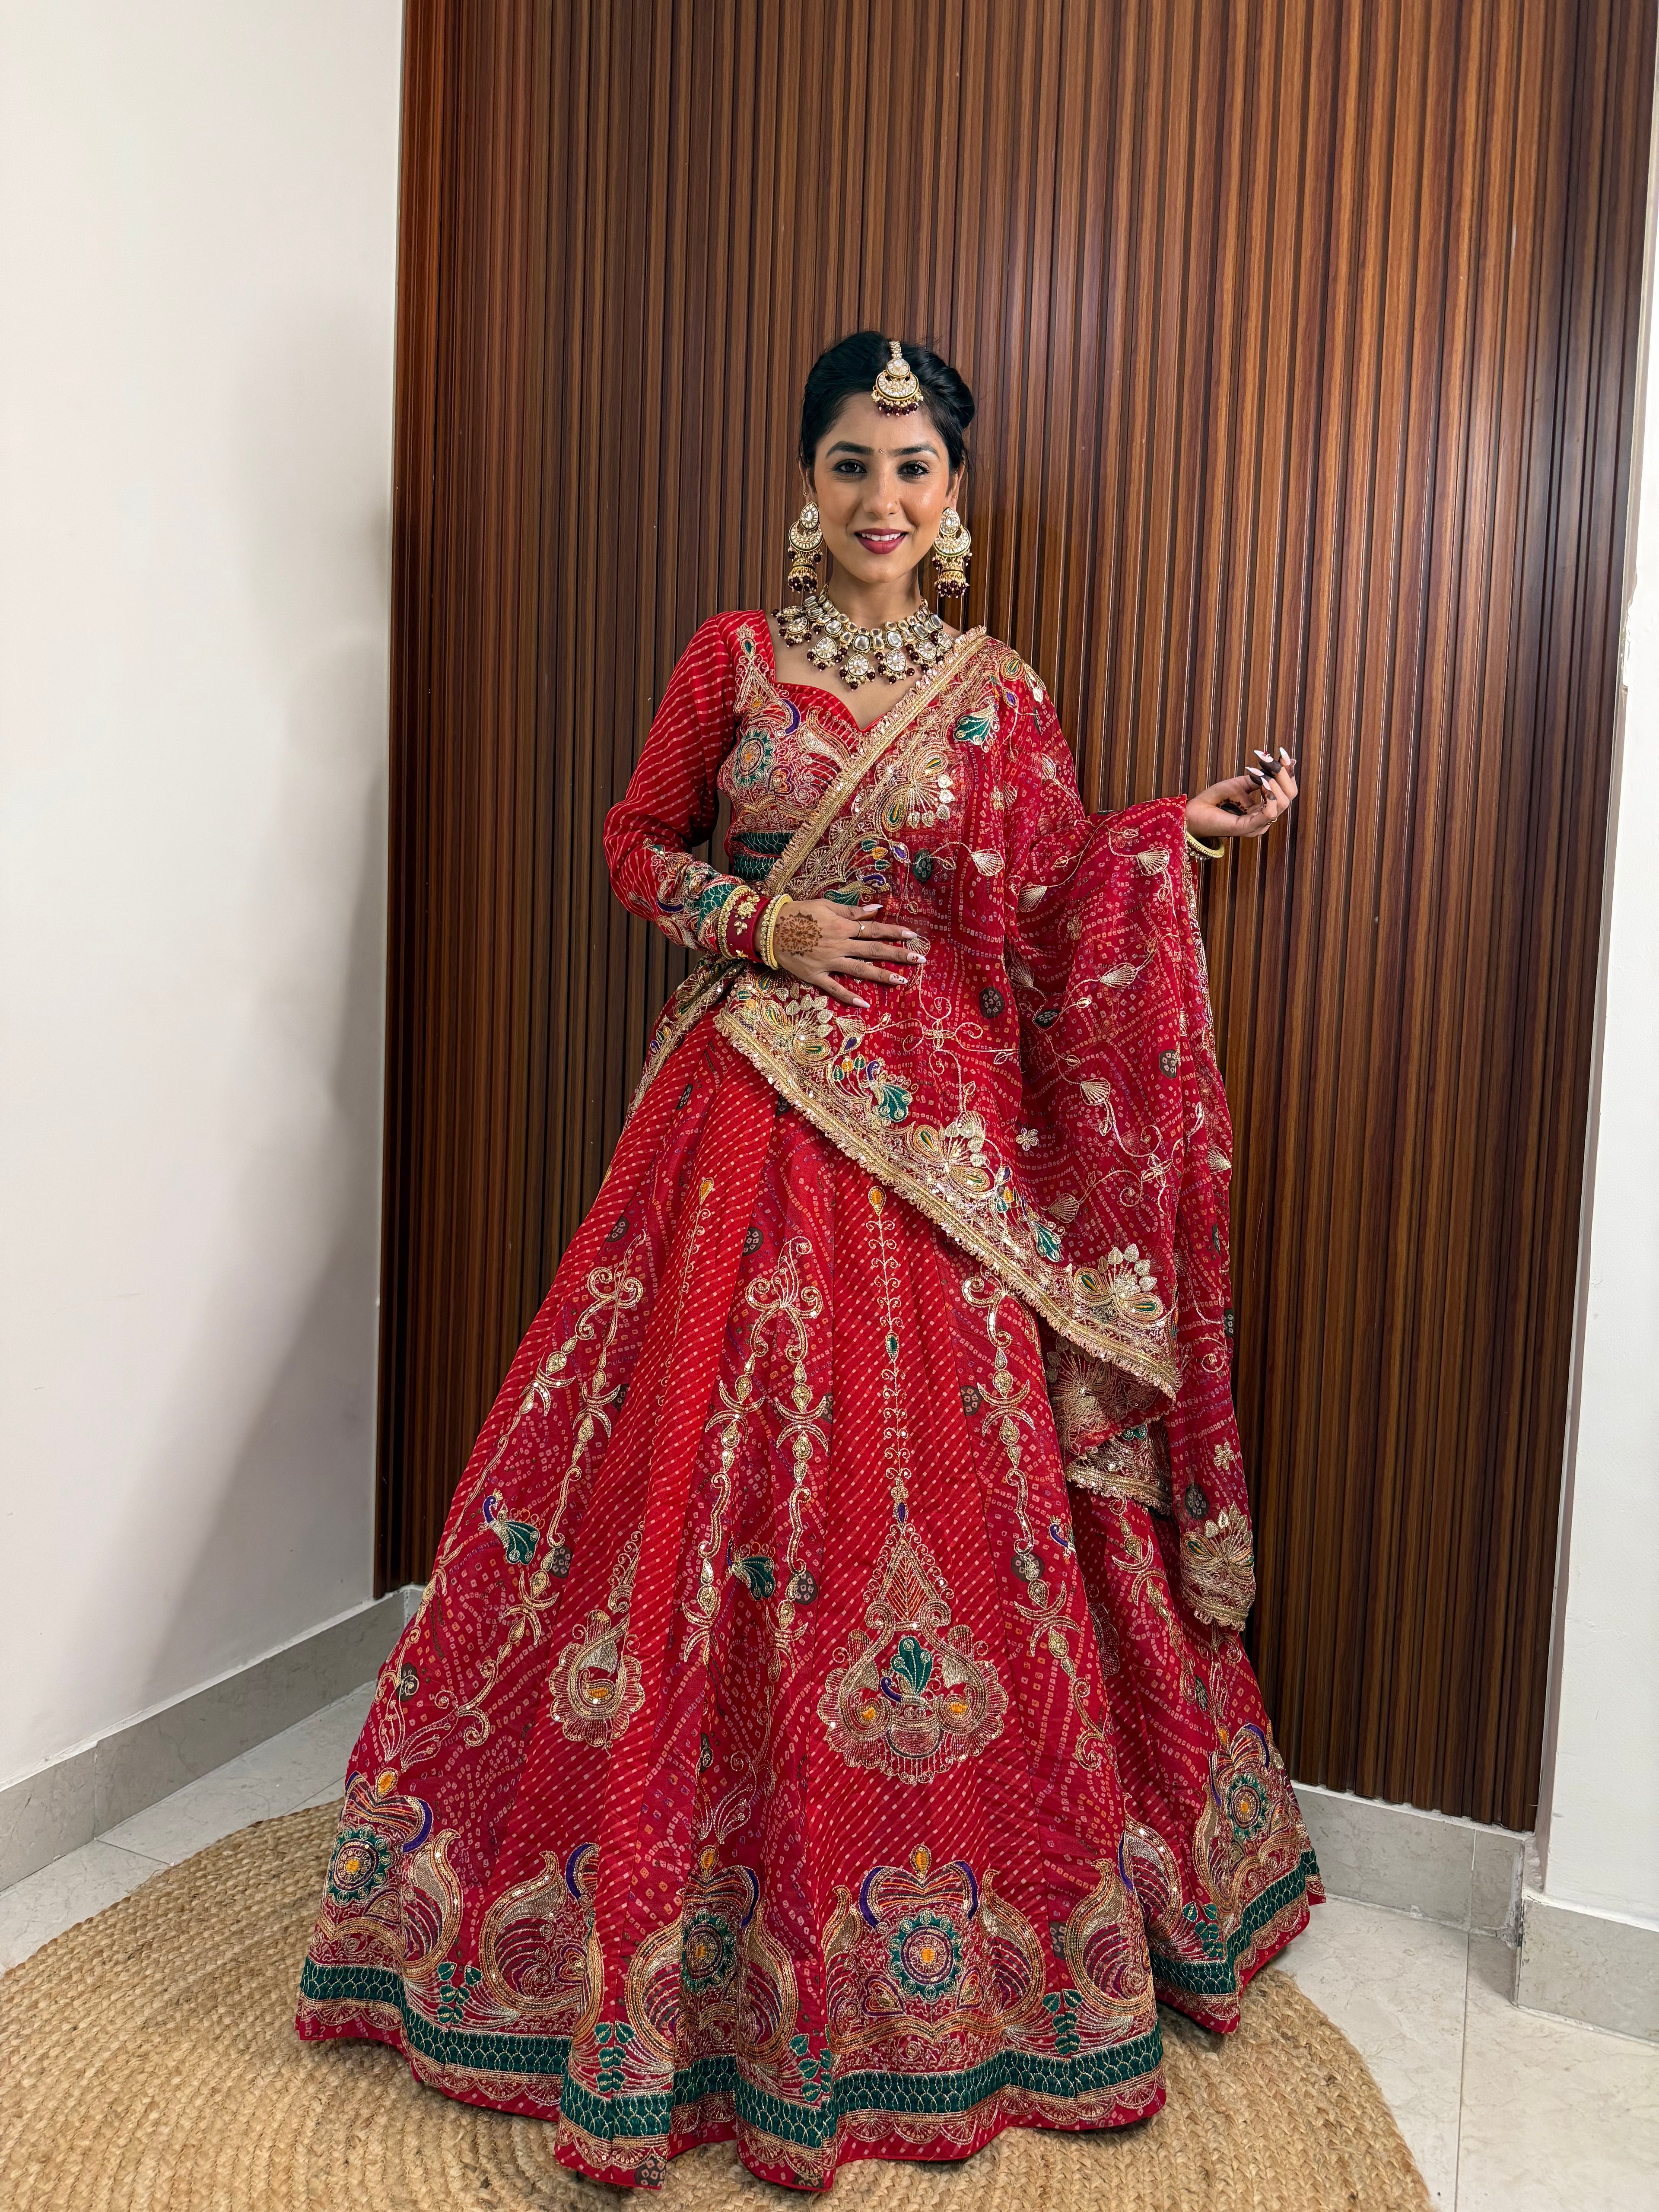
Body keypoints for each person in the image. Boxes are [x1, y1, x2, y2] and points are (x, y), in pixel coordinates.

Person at [296, 331, 1319, 2193]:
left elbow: (1046, 900)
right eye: (853, 463)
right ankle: (650, 1949)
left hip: (942, 1155)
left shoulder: (1000, 696)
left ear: (956, 498)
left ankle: (920, 1964)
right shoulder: (735, 660)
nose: (883, 498)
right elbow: (633, 845)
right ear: (809, 482)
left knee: (922, 1500)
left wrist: (1172, 834)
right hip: (743, 1107)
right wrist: (765, 922)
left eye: (914, 468)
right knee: (681, 1482)